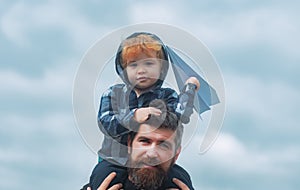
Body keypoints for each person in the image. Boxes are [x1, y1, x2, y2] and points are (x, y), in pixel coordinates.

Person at [89, 32, 200, 190]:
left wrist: (190, 88)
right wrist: (133, 116)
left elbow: (182, 114)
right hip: (114, 160)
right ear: (123, 70)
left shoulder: (167, 95)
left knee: (180, 179)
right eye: (133, 65)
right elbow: (106, 123)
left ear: (161, 68)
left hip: (154, 165)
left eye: (148, 63)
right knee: (104, 179)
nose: (141, 70)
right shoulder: (114, 93)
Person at [86, 107, 192, 190]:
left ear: (176, 154)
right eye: (145, 141)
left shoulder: (181, 182)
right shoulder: (104, 177)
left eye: (163, 146)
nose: (151, 154)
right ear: (129, 144)